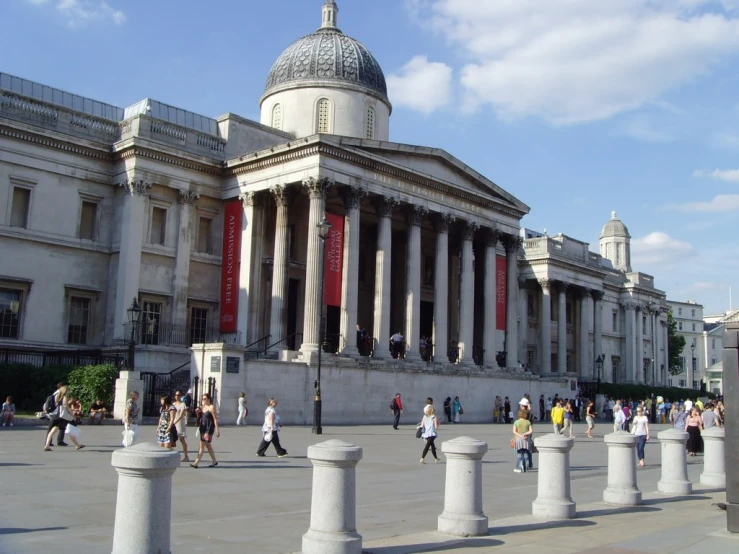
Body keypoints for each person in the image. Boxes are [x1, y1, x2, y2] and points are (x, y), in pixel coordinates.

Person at [191, 393, 220, 467]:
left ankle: (196, 462)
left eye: (205, 399)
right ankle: (214, 460)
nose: (203, 400)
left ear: (209, 399)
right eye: (202, 399)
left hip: (209, 428)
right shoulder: (202, 407)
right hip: (202, 428)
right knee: (208, 445)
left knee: (201, 445)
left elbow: (215, 419)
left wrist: (217, 430)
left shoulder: (211, 407)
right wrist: (197, 412)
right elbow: (200, 417)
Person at [512, 409, 534, 473]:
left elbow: (514, 431)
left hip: (519, 439)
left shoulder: (516, 422)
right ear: (525, 415)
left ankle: (519, 468)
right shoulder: (528, 422)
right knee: (526, 453)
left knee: (519, 453)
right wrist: (525, 434)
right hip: (526, 439)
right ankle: (526, 468)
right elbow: (531, 431)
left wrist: (520, 435)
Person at [172, 390, 190, 462]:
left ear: (181, 396)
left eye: (179, 395)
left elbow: (181, 415)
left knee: (182, 439)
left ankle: (186, 456)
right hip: (173, 422)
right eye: (176, 395)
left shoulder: (183, 404)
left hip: (179, 423)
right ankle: (172, 455)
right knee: (171, 438)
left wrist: (175, 422)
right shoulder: (173, 404)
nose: (177, 396)